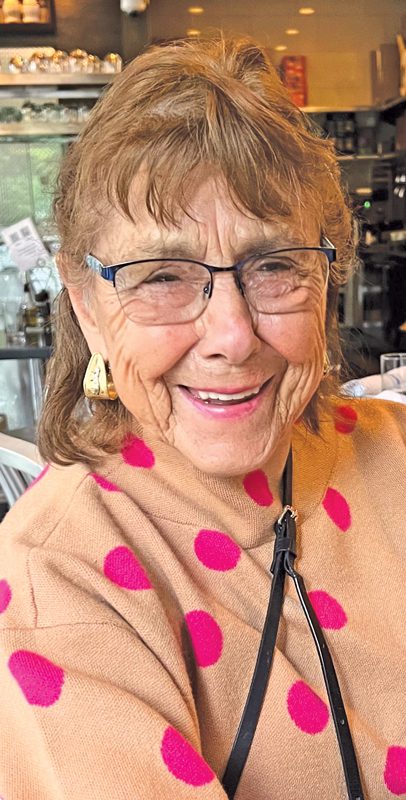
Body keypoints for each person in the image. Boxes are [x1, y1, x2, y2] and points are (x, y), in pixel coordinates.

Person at [0, 34, 405, 800]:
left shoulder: (397, 459)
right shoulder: (58, 579)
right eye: (162, 276)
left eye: (277, 265)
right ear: (87, 304)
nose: (230, 336)